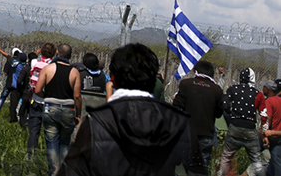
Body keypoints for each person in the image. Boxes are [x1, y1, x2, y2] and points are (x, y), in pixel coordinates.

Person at [57, 43, 206, 175]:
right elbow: (196, 169)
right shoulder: (178, 122)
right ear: (153, 78)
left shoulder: (96, 122)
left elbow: (73, 170)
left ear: (113, 78)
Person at [34, 43, 81, 176]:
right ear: (70, 56)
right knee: (65, 142)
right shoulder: (74, 72)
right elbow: (77, 96)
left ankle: (53, 171)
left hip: (50, 108)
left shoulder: (48, 69)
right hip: (68, 109)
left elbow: (37, 90)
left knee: (51, 141)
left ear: (57, 54)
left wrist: (47, 96)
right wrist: (78, 114)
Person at [173, 60, 224, 170]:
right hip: (206, 134)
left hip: (186, 133)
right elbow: (219, 113)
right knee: (201, 166)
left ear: (196, 71)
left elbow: (176, 107)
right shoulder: (216, 90)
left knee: (183, 166)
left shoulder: (186, 84)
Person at [220, 67, 263, 176]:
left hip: (234, 126)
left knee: (226, 157)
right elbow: (263, 113)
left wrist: (232, 116)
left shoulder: (232, 89)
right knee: (256, 160)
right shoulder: (258, 94)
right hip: (250, 128)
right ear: (252, 79)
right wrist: (264, 130)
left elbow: (224, 104)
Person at [27, 43, 55, 159]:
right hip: (47, 100)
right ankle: (50, 157)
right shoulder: (52, 65)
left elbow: (35, 56)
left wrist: (39, 51)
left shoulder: (35, 62)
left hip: (35, 99)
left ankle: (30, 156)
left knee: (34, 131)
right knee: (50, 132)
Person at [0, 47, 21, 117]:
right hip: (16, 84)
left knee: (2, 98)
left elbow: (5, 72)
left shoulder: (10, 61)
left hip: (8, 83)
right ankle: (15, 114)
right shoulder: (20, 63)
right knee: (15, 100)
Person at [262, 80, 281, 175]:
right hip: (278, 137)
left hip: (270, 136)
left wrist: (266, 134)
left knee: (253, 149)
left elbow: (267, 119)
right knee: (276, 161)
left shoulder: (269, 101)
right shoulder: (279, 101)